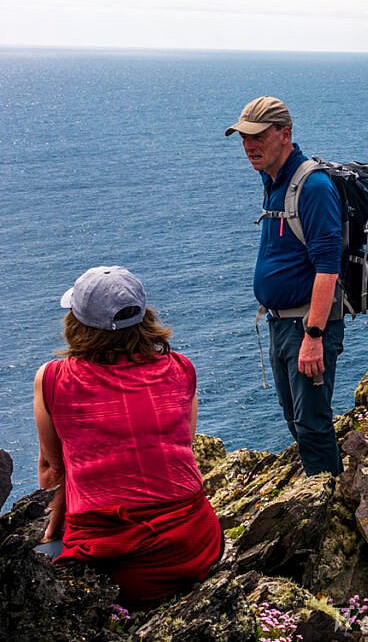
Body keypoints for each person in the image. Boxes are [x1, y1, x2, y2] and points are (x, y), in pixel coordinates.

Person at [34, 266, 222, 609]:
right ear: (144, 316)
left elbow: (52, 471)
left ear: (77, 324)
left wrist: (52, 534)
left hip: (119, 567)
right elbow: (181, 448)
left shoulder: (53, 379)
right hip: (197, 547)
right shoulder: (181, 368)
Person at [226, 96, 344, 476]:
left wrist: (314, 334)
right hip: (282, 324)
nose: (249, 145)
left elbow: (328, 269)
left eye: (258, 136)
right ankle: (324, 492)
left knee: (312, 423)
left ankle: (330, 504)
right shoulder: (273, 180)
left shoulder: (313, 187)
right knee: (296, 420)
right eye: (244, 137)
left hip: (306, 324)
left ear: (285, 134)